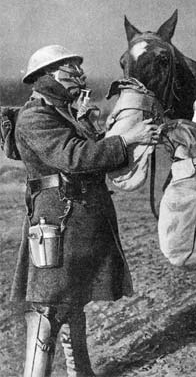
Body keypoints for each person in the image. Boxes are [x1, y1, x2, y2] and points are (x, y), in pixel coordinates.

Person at [10, 45, 160, 377]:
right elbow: (74, 157)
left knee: (72, 301)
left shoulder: (64, 111)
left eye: (78, 69)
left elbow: (90, 149)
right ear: (47, 77)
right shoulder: (35, 116)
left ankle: (83, 373)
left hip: (76, 220)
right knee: (47, 309)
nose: (79, 75)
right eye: (69, 70)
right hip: (56, 220)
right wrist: (126, 140)